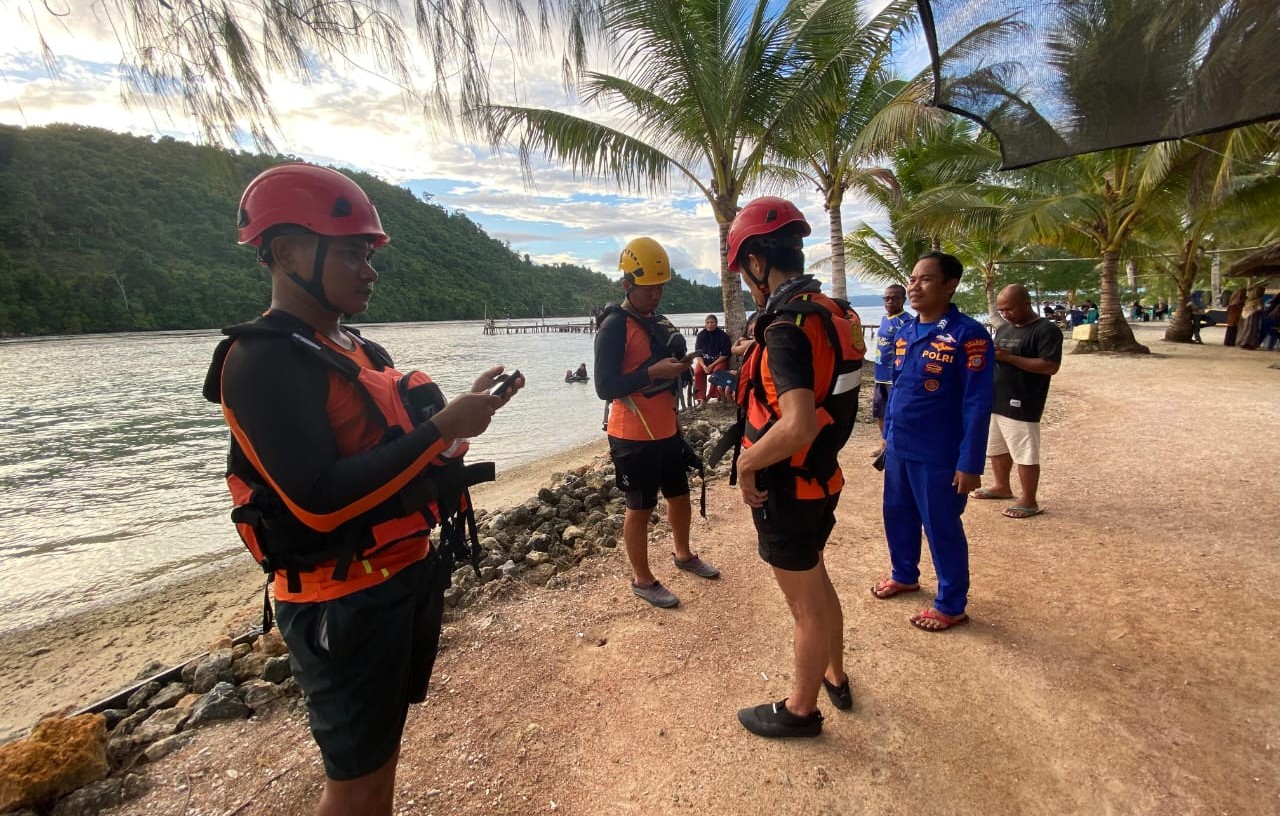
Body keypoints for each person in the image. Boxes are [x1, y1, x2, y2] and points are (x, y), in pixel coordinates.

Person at [203, 162, 522, 816]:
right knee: (355, 785)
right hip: (339, 602)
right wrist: (440, 429)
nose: (371, 270)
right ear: (287, 251)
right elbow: (320, 501)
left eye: (369, 254)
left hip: (402, 577)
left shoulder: (361, 350)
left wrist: (462, 425)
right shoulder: (262, 361)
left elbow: (399, 461)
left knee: (379, 764)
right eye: (353, 253)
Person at [727, 197, 863, 738]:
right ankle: (836, 673)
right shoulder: (833, 313)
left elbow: (798, 423)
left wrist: (745, 465)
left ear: (758, 263)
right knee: (818, 581)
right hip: (822, 479)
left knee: (805, 606)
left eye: (744, 271)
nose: (745, 280)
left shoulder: (785, 325)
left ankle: (801, 711)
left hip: (789, 486)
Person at [594, 237, 719, 608]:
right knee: (640, 506)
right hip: (631, 434)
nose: (657, 295)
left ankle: (683, 554)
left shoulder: (655, 322)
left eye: (661, 287)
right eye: (649, 289)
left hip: (666, 427)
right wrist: (652, 373)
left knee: (679, 496)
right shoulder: (614, 326)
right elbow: (604, 387)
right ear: (627, 284)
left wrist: (681, 365)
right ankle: (642, 579)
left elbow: (666, 364)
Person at [872, 251, 993, 633]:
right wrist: (887, 441)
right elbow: (898, 393)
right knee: (898, 515)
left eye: (925, 279)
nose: (914, 286)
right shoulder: (905, 332)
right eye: (912, 278)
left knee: (941, 526)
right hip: (900, 449)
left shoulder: (967, 335)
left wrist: (970, 463)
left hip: (939, 454)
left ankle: (951, 604)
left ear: (950, 284)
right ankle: (904, 574)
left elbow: (977, 404)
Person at [971, 284, 1062, 519]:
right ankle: (1002, 486)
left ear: (1026, 304)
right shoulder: (1004, 329)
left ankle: (1029, 499)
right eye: (1001, 310)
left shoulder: (1045, 330)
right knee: (996, 447)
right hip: (996, 399)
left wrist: (1009, 358)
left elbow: (1050, 366)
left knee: (1024, 451)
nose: (1005, 314)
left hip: (1023, 400)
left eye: (1009, 309)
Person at [872, 284, 909, 448]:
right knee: (880, 412)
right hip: (879, 375)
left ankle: (894, 445)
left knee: (895, 413)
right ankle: (883, 445)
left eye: (895, 298)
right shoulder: (884, 319)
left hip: (895, 377)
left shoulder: (907, 321)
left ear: (903, 300)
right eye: (886, 298)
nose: (890, 301)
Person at [693, 314, 733, 405]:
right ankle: (701, 398)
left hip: (718, 360)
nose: (710, 325)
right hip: (704, 361)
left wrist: (712, 365)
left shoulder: (722, 336)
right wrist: (703, 365)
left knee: (717, 372)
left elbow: (725, 354)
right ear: (705, 323)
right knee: (697, 372)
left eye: (712, 322)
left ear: (716, 323)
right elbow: (698, 354)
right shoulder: (701, 335)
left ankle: (711, 395)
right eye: (708, 322)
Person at [1237, 285, 1265, 350]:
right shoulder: (1259, 300)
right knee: (1252, 330)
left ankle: (1244, 343)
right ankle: (1249, 344)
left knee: (1247, 329)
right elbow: (1260, 308)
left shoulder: (1249, 300)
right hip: (1253, 316)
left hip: (1247, 315)